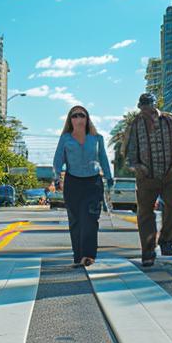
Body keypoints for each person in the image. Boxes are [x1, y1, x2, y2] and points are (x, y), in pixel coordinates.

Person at [123, 92, 172, 267]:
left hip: (170, 175)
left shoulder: (171, 120)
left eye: (149, 105)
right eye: (143, 106)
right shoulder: (135, 125)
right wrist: (137, 166)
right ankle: (148, 250)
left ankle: (166, 241)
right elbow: (128, 151)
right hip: (146, 178)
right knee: (145, 214)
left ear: (155, 105)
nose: (146, 109)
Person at [53, 105, 113, 268]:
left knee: (90, 220)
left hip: (93, 183)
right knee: (76, 221)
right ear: (70, 120)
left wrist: (109, 177)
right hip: (73, 183)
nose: (78, 118)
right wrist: (57, 177)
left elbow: (103, 159)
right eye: (74, 116)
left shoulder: (97, 138)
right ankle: (78, 256)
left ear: (87, 119)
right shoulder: (65, 138)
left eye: (82, 115)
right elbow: (58, 160)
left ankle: (88, 255)